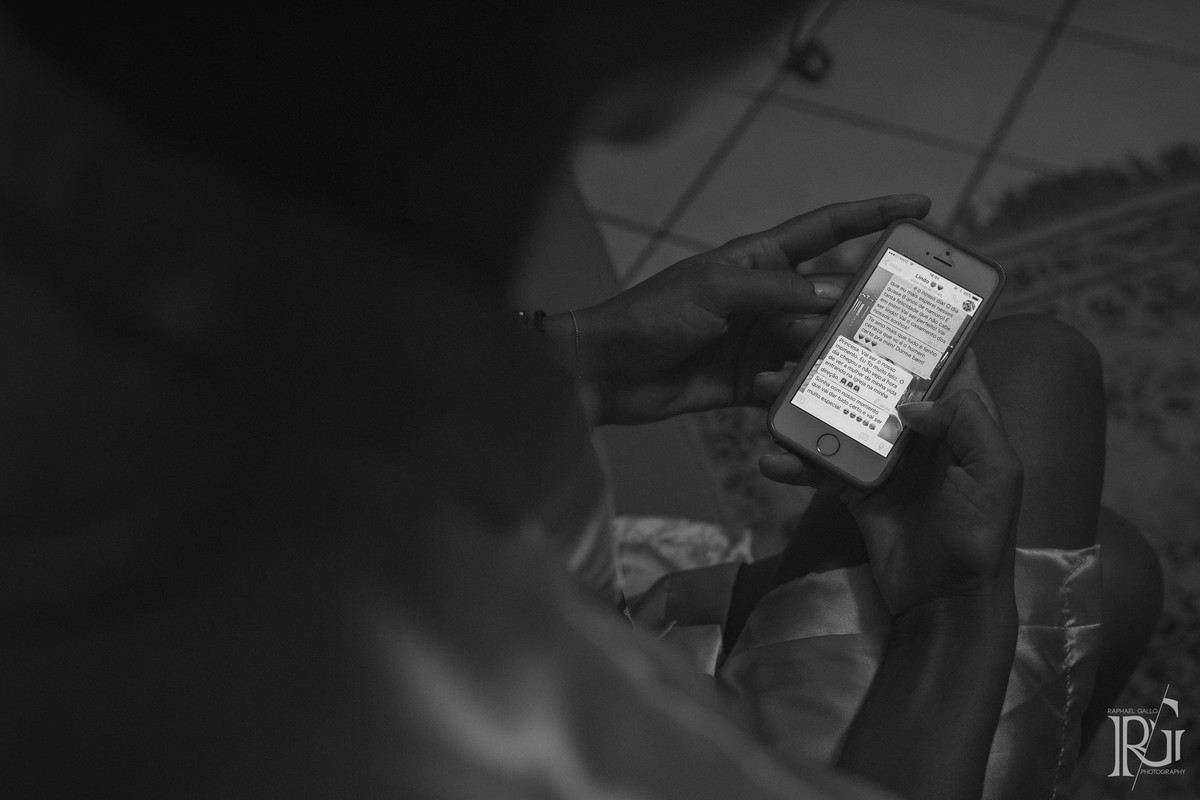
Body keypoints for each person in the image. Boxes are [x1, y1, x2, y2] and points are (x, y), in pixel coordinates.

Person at [0, 3, 1160, 799]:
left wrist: (579, 356)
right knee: (1058, 453)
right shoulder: (464, 723)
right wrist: (955, 617)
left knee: (1108, 560)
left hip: (602, 631)